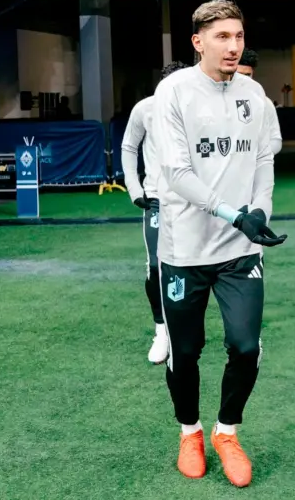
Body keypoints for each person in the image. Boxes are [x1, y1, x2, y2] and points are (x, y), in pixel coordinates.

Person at [151, 0, 288, 488]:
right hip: (184, 249)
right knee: (185, 352)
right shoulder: (173, 93)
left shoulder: (255, 93)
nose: (234, 46)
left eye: (238, 36)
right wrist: (233, 213)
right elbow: (177, 173)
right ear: (198, 42)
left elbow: (265, 159)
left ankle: (226, 431)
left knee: (246, 347)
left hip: (239, 251)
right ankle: (189, 431)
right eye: (222, 37)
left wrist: (260, 213)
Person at [121, 60, 188, 364]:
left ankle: (184, 328)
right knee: (156, 267)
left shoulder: (197, 109)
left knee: (197, 266)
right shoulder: (145, 109)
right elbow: (128, 147)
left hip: (192, 201)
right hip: (157, 200)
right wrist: (135, 189)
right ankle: (161, 330)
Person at [237, 48, 283, 155]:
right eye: (238, 74)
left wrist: (253, 156)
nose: (244, 80)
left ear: (253, 73)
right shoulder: (217, 100)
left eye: (247, 75)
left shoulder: (264, 103)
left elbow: (275, 140)